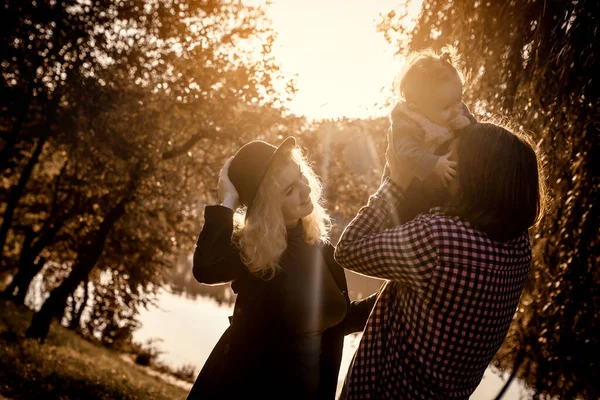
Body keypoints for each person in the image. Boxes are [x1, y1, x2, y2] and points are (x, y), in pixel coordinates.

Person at [335, 123, 546, 399]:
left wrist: (396, 181)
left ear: (474, 176)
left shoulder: (439, 238)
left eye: (453, 158)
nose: (443, 163)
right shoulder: (519, 247)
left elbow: (348, 248)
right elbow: (426, 298)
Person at [187, 137, 377, 400]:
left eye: (301, 177)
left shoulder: (321, 247)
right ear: (267, 205)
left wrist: (394, 291)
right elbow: (205, 269)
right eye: (289, 190)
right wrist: (228, 200)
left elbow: (336, 321)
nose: (305, 190)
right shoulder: (252, 249)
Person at [385, 47, 477, 222]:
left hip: (443, 187)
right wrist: (434, 163)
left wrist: (468, 125)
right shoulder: (407, 120)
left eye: (458, 100)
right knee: (408, 214)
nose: (455, 110)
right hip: (409, 189)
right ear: (417, 106)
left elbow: (478, 136)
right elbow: (405, 152)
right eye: (445, 108)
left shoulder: (457, 108)